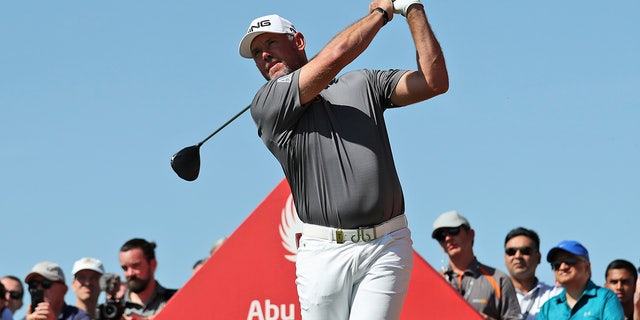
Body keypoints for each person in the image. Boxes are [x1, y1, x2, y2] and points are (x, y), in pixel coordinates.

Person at [238, 0, 448, 318]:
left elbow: (434, 82)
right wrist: (381, 14)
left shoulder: (363, 82)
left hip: (386, 244)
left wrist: (413, 9)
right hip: (323, 252)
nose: (264, 55)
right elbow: (335, 57)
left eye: (270, 43)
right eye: (256, 53)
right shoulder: (267, 102)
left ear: (298, 42)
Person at [432, 210, 520, 319]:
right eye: (441, 236)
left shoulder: (499, 280)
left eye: (453, 230)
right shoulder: (432, 282)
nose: (448, 238)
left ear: (471, 234)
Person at [538, 240, 624, 319]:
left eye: (569, 260)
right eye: (557, 264)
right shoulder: (547, 308)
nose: (563, 267)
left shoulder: (605, 299)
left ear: (587, 266)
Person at [503, 227, 562, 319]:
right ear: (505, 259)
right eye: (511, 252)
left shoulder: (555, 295)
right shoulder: (494, 297)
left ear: (538, 258)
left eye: (525, 251)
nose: (518, 256)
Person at [119, 238, 176, 319]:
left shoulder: (176, 301)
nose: (130, 273)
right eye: (125, 268)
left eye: (136, 266)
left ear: (153, 264)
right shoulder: (115, 311)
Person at [22, 261, 90, 320]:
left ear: (64, 289)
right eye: (33, 284)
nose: (39, 288)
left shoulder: (79, 316)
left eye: (46, 283)